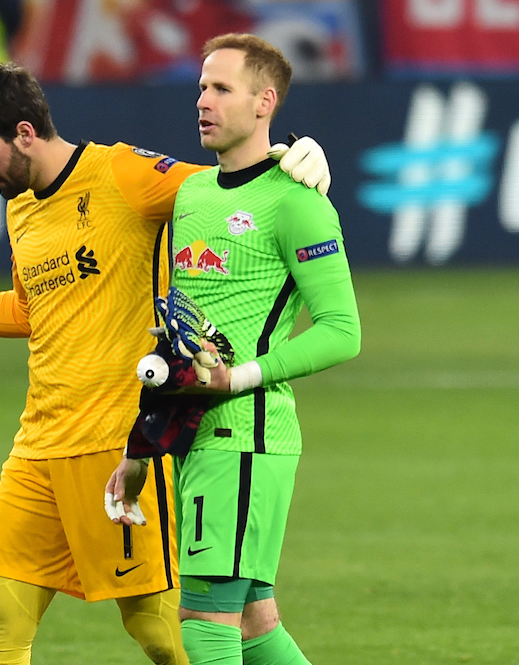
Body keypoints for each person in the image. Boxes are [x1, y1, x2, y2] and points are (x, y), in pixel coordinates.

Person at [0, 61, 331, 665]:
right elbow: (31, 310)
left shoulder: (123, 174)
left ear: (24, 133)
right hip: (38, 448)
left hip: (123, 444)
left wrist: (292, 158)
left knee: (168, 633)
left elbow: (230, 188)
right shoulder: (20, 208)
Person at [106, 34, 361, 665]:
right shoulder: (192, 195)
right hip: (201, 436)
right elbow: (184, 341)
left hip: (245, 436)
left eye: (221, 88)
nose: (203, 100)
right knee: (252, 623)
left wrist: (239, 377)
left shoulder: (296, 201)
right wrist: (142, 449)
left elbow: (342, 330)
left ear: (264, 102)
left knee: (203, 620)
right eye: (201, 87)